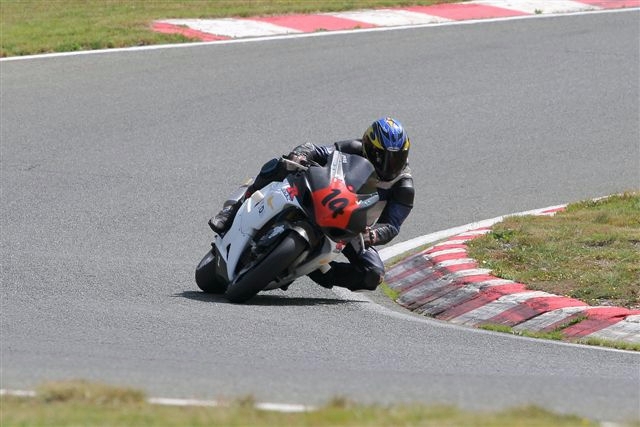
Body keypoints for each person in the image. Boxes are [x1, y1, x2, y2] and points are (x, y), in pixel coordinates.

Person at [209, 117, 414, 291]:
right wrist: (301, 154)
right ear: (368, 146)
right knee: (281, 164)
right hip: (322, 195)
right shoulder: (353, 148)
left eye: (397, 158)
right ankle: (231, 210)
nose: (389, 165)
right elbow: (318, 150)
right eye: (382, 156)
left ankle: (321, 271)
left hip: (352, 228)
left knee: (373, 274)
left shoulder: (403, 187)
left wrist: (374, 234)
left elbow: (392, 225)